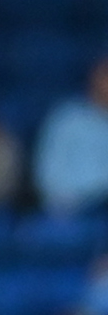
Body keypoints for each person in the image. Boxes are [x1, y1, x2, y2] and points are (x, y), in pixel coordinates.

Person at [33, 56, 108, 215]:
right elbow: (48, 174)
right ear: (93, 79)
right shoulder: (67, 119)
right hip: (74, 208)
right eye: (104, 76)